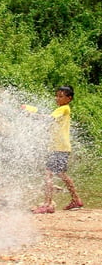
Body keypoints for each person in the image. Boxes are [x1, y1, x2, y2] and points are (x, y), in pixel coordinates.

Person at [30, 86, 83, 214]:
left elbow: (49, 118)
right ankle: (76, 200)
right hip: (60, 147)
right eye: (57, 95)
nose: (57, 98)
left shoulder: (63, 108)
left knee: (48, 173)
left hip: (59, 148)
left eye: (60, 96)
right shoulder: (62, 109)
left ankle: (48, 204)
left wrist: (33, 115)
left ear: (69, 98)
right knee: (61, 174)